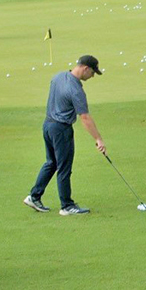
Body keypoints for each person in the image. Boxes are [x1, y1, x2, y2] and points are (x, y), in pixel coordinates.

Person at [23, 55, 107, 216]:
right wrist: (98, 139)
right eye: (93, 72)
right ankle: (66, 206)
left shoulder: (58, 76)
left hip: (47, 125)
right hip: (61, 130)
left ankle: (34, 196)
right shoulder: (76, 90)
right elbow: (85, 117)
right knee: (64, 167)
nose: (93, 76)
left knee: (52, 162)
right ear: (85, 69)